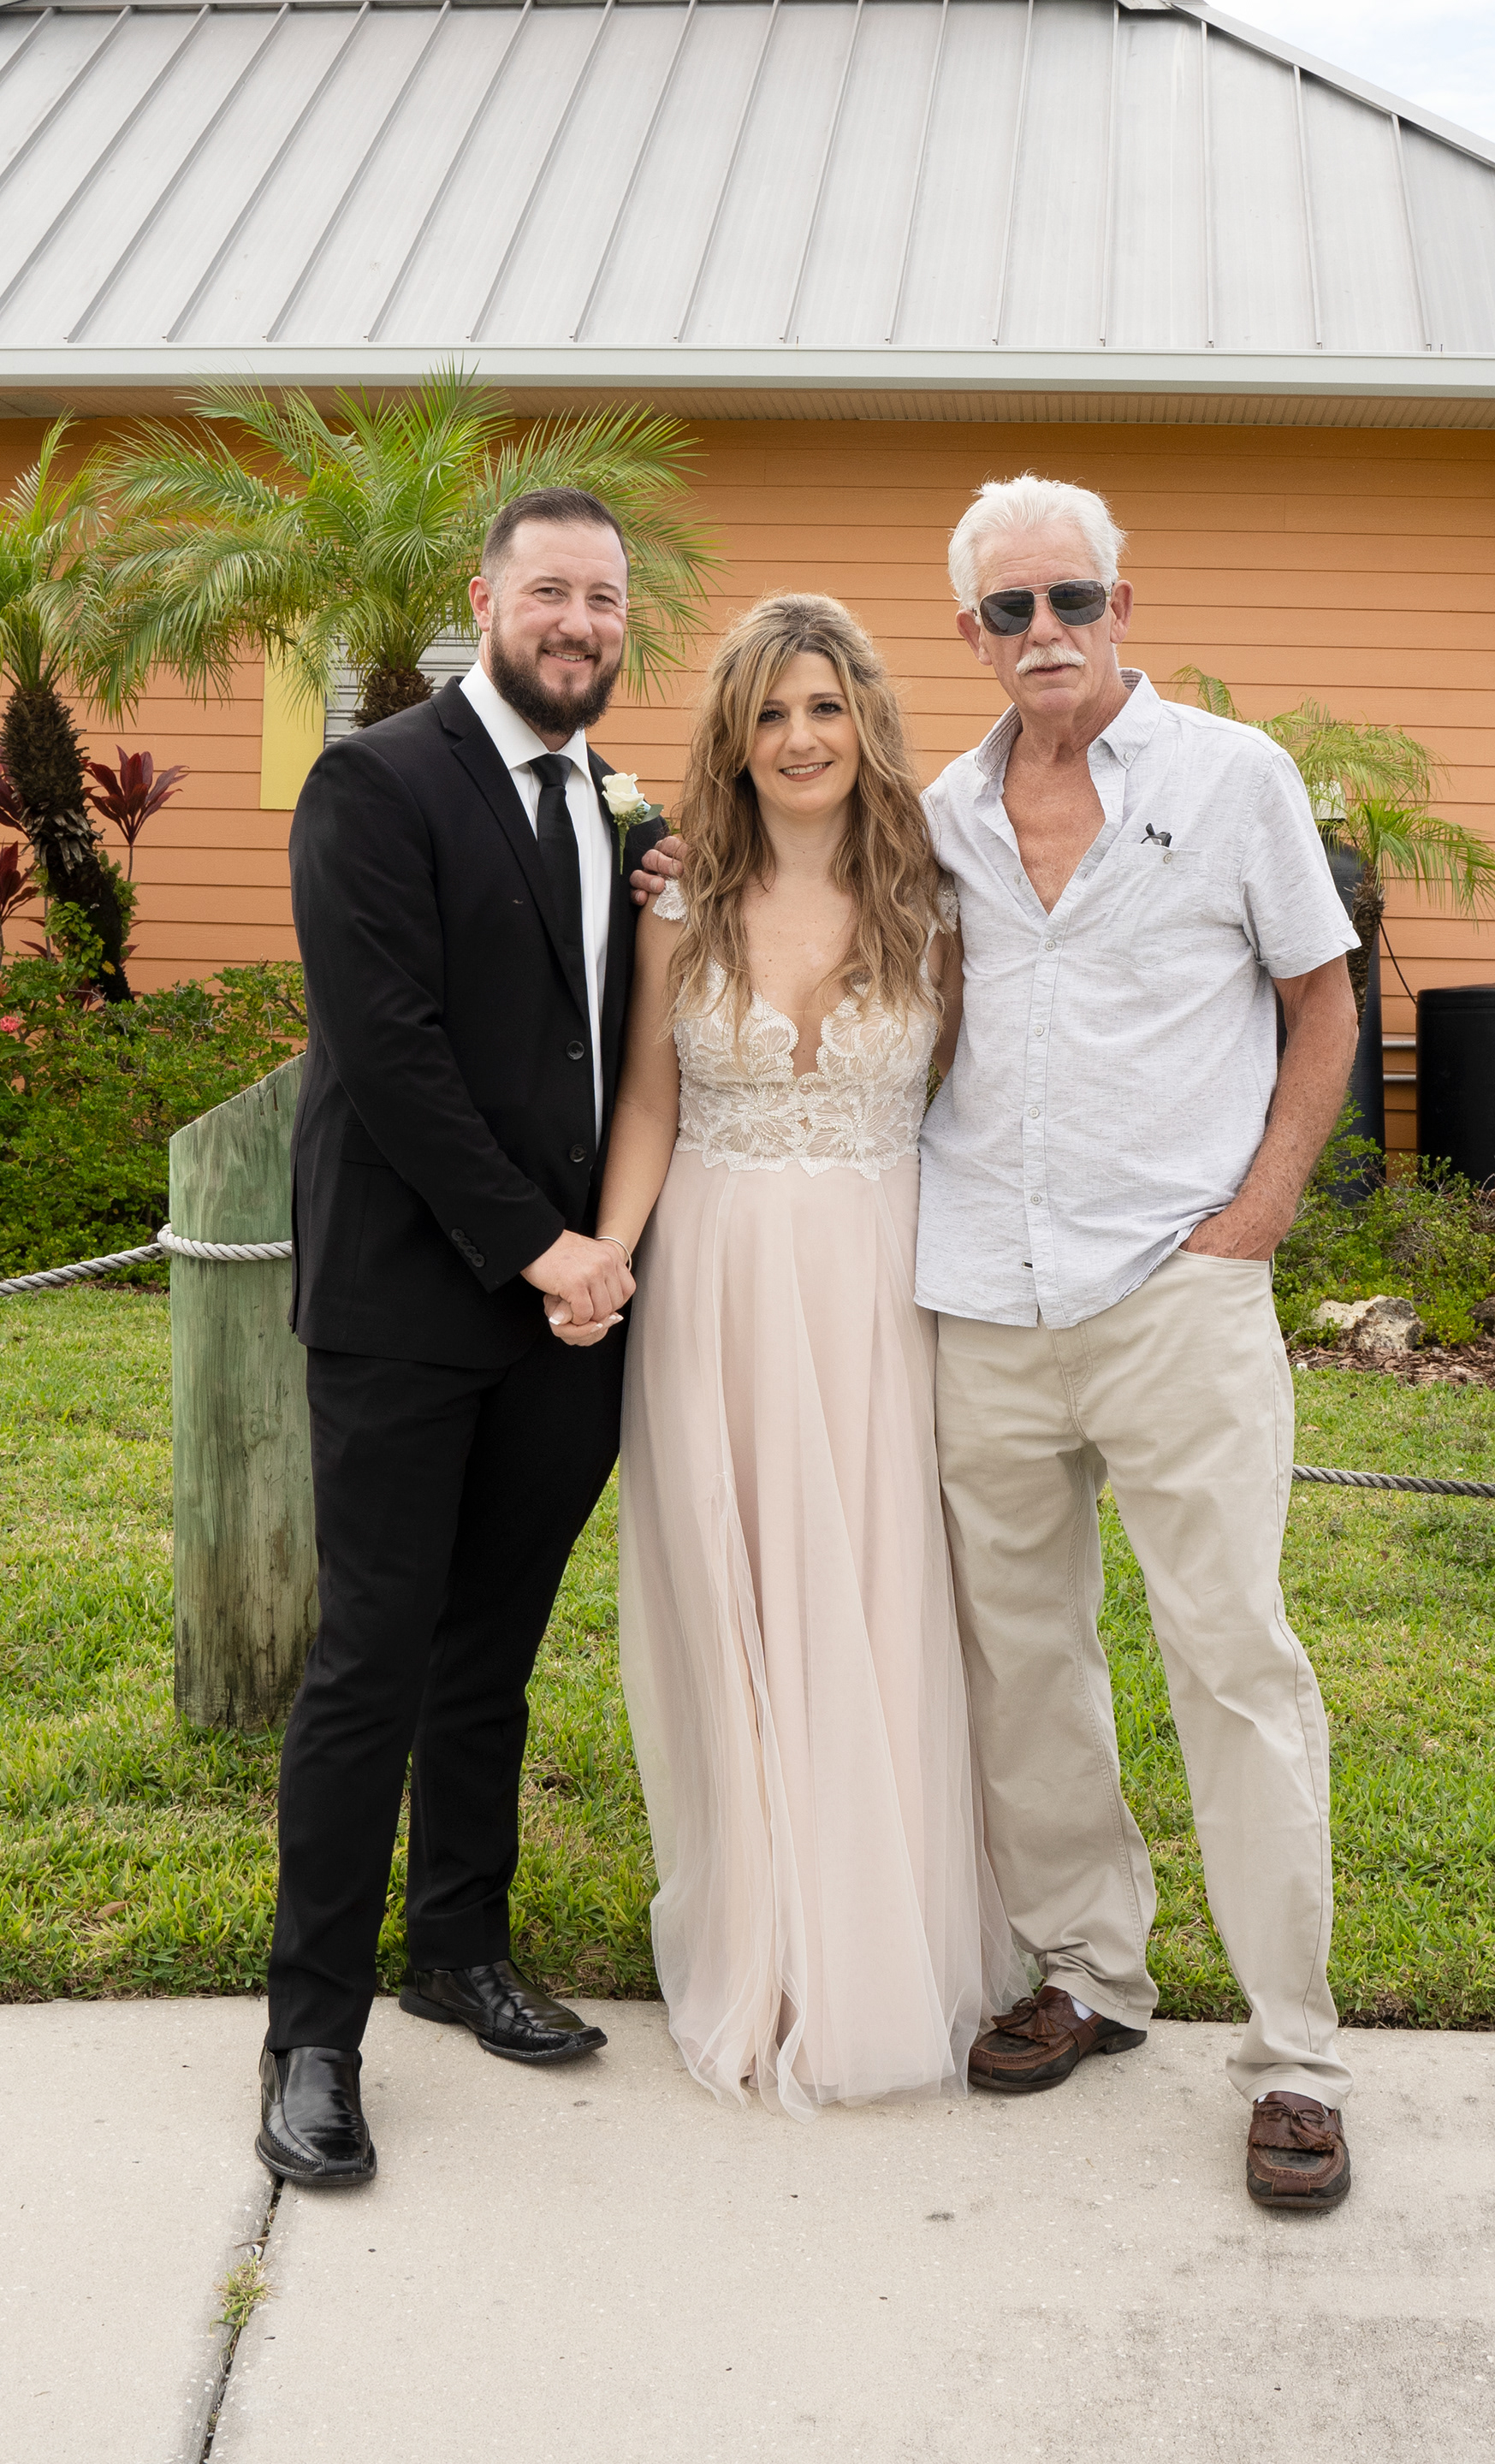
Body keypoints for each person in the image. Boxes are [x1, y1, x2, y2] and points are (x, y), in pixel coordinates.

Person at [920, 474, 1362, 2211]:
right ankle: (1092, 1974)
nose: (1046, 632)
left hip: (1178, 1293)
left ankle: (1296, 2056)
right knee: (1023, 1661)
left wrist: (1256, 1219)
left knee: (1235, 1663)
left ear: (1124, 604)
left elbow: (1324, 1002)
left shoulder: (1238, 779)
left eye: (1072, 599)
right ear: (971, 633)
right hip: (982, 1299)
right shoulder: (938, 814)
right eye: (1010, 608)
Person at [561, 593, 1022, 2115]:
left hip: (885, 1280)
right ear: (735, 738)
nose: (801, 738)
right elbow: (650, 1102)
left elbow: (977, 1094)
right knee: (737, 1592)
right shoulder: (677, 900)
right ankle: (760, 1938)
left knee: (885, 1589)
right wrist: (610, 1253)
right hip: (717, 1274)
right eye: (770, 713)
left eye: (825, 707)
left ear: (867, 722)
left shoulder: (940, 897)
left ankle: (880, 1944)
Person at [258, 488, 665, 2189]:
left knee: (490, 1649)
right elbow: (391, 1050)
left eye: (605, 598)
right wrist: (543, 1248)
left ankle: (458, 1948)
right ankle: (311, 2035)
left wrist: (594, 1264)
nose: (579, 621)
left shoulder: (619, 812)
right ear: (485, 602)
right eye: (550, 590)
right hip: (412, 1304)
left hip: (570, 1321)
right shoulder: (374, 784)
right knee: (372, 1657)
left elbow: (602, 1046)